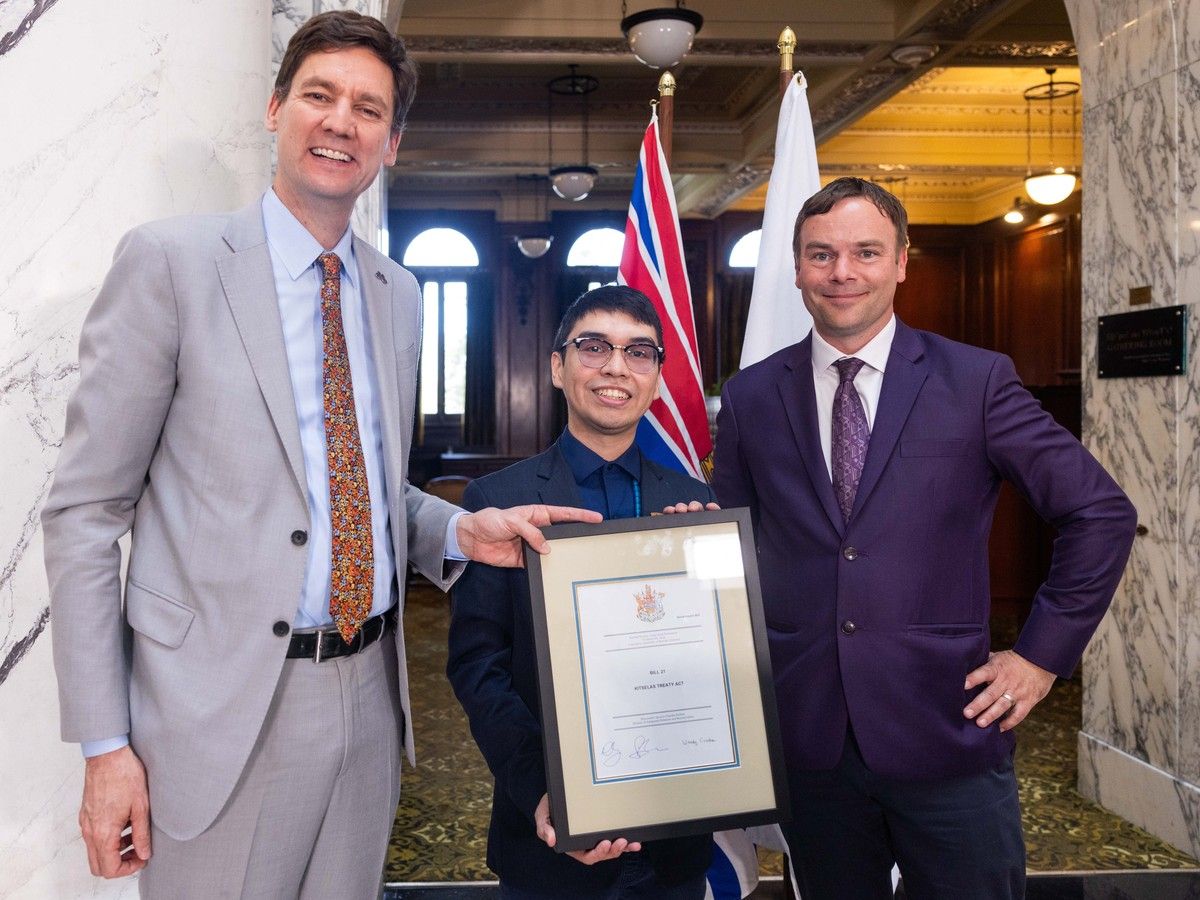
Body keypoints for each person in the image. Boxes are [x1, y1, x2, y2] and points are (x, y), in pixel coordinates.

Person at [41, 12, 597, 897]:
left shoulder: (397, 292)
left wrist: (458, 530)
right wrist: (107, 747)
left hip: (370, 701)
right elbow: (83, 513)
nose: (341, 121)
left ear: (392, 141)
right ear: (275, 108)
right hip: (217, 712)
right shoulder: (173, 265)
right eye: (320, 95)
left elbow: (363, 491)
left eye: (367, 108)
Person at [713, 177, 1137, 900]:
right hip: (810, 735)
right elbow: (731, 545)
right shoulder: (753, 395)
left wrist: (1039, 658)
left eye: (865, 252)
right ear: (797, 266)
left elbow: (1101, 513)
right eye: (821, 255)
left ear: (902, 262)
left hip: (948, 725)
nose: (842, 272)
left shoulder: (976, 381)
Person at [446, 285, 716, 899]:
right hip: (547, 838)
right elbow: (477, 668)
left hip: (674, 843)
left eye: (638, 352)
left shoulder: (696, 506)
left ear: (655, 377)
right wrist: (547, 793)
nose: (616, 367)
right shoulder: (497, 503)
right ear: (556, 366)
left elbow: (714, 662)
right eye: (594, 347)